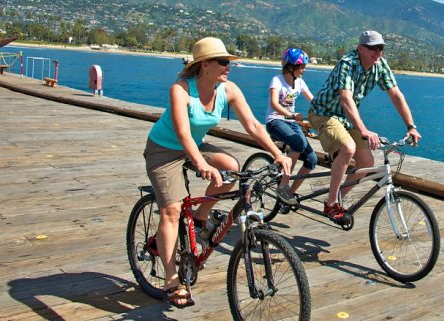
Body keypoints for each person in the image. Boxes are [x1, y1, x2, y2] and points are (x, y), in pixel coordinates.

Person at [143, 37, 291, 308]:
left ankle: (199, 222)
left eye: (229, 62)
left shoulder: (228, 89)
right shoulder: (181, 89)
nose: (229, 66)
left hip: (195, 146)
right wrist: (200, 163)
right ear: (204, 65)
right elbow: (182, 132)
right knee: (171, 210)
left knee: (231, 168)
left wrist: (278, 153)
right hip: (163, 150)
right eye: (223, 62)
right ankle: (170, 277)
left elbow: (254, 126)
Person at [308, 30, 421, 223]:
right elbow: (345, 98)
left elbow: (396, 95)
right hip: (323, 113)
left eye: (381, 48)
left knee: (367, 164)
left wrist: (411, 126)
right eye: (373, 48)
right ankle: (331, 203)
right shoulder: (348, 64)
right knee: (348, 148)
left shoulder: (381, 66)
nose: (378, 53)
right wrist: (363, 130)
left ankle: (337, 197)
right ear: (360, 48)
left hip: (346, 117)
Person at [265, 47, 317, 203]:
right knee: (297, 142)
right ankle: (283, 186)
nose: (304, 70)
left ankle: (289, 195)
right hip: (275, 121)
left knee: (312, 160)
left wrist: (328, 111)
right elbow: (274, 103)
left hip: (291, 123)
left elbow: (313, 101)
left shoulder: (299, 82)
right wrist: (292, 115)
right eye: (301, 67)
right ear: (291, 67)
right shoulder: (277, 80)